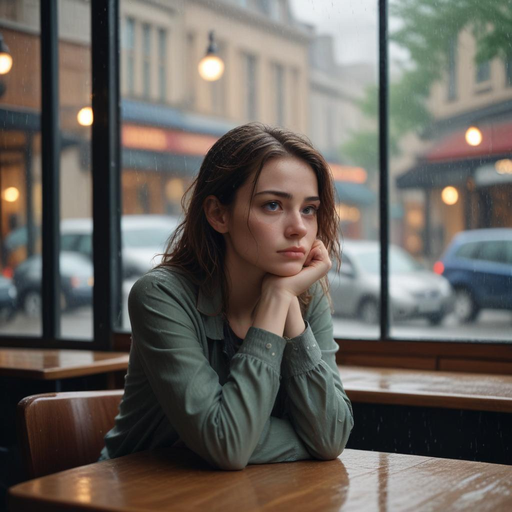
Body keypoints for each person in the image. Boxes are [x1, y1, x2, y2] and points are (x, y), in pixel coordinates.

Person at [99, 123, 354, 470]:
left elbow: (330, 438)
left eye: (309, 209)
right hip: (134, 495)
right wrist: (299, 437)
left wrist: (284, 298)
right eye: (273, 205)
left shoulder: (305, 295)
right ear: (219, 214)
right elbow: (228, 443)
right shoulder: (160, 296)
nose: (298, 227)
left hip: (239, 497)